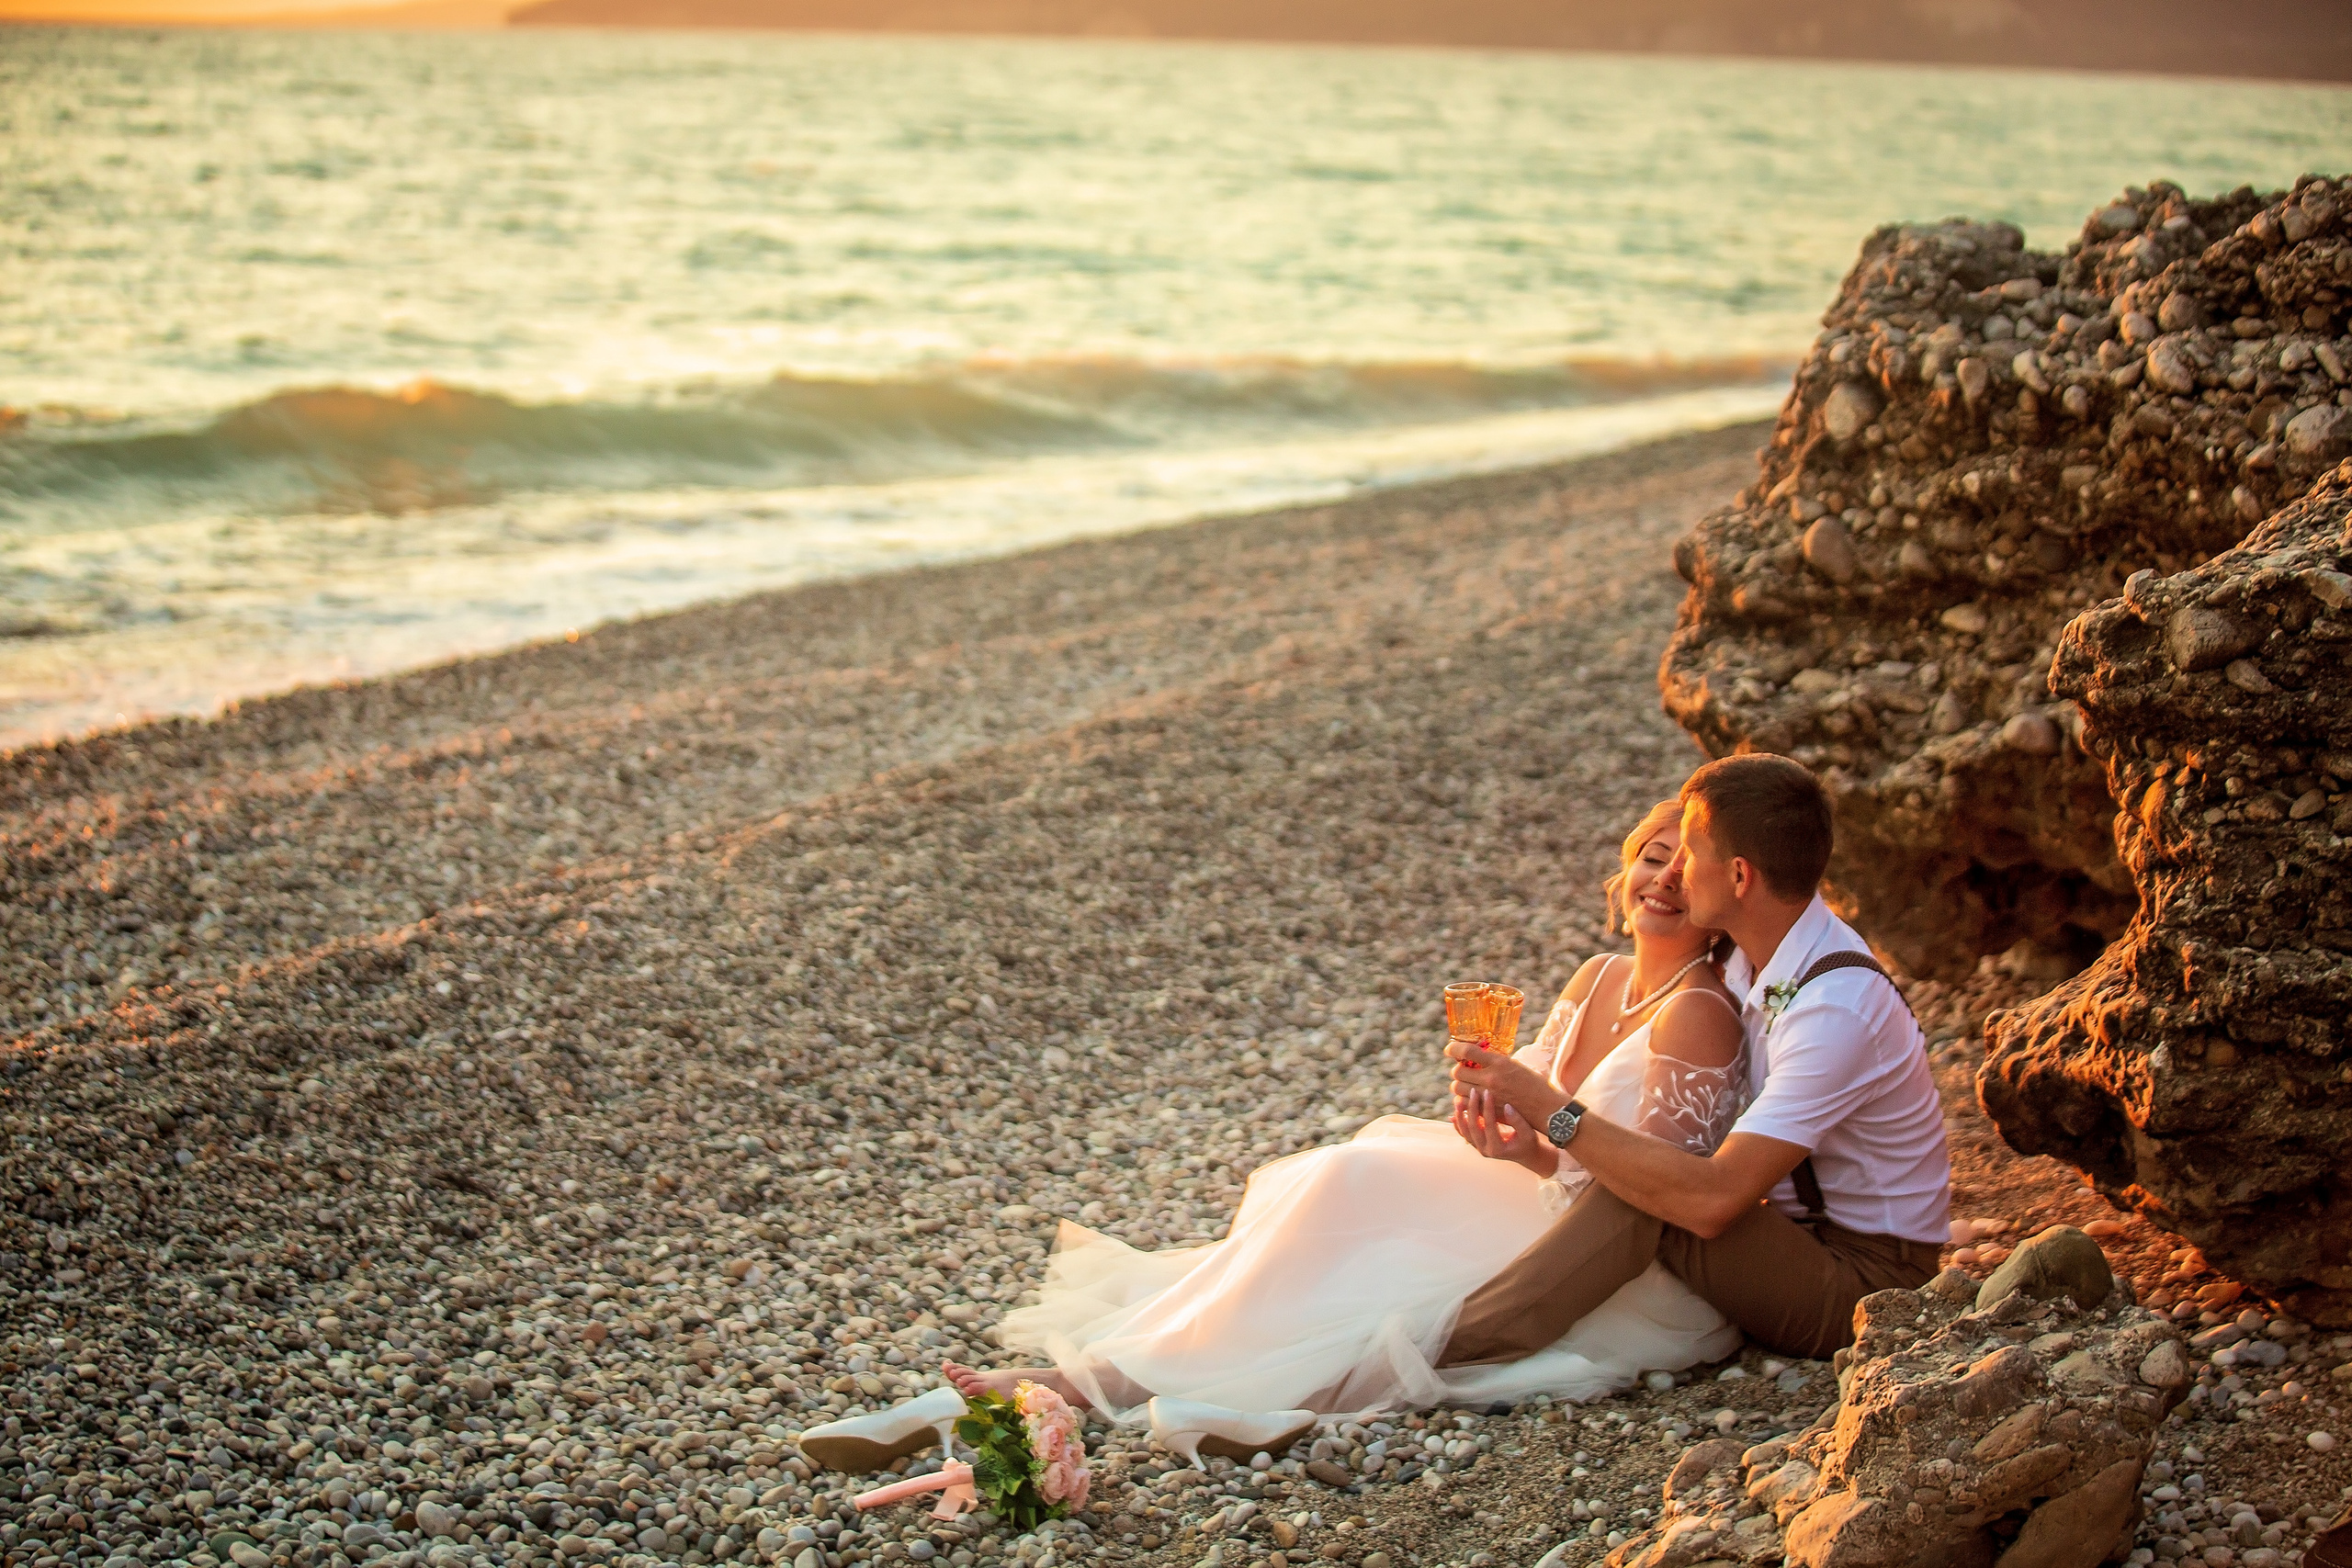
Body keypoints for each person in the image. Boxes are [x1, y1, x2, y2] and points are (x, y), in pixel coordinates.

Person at [908, 795, 1754, 1450]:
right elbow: (1548, 1142)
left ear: (1722, 894)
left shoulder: (1699, 1012)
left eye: (1687, 870)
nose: (1663, 880)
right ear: (1623, 871)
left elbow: (1646, 1198)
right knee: (1338, 1178)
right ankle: (1140, 1366)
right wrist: (1511, 1137)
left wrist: (1538, 1128)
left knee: (1376, 1252)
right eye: (1651, 858)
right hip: (1544, 1196)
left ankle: (1130, 1384)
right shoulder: (1598, 975)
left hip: (1609, 1262)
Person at [1437, 753, 1951, 1369]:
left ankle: (1459, 1346)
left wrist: (1546, 1105)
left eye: (1691, 853)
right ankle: (1465, 1328)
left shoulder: (1834, 1007)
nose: (1675, 872)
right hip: (1791, 1232)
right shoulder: (1752, 954)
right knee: (1655, 1175)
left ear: (1738, 876)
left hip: (1867, 1283)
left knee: (1660, 1192)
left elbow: (1714, 1201)